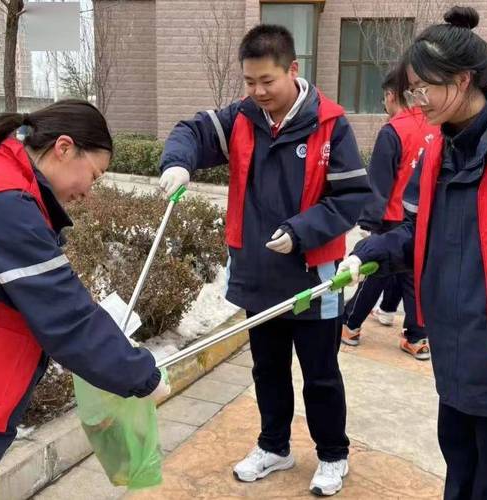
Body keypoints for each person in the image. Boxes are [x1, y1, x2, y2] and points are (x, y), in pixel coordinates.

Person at [0, 99, 169, 499]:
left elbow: (46, 299)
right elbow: (66, 318)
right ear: (63, 148)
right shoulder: (2, 202)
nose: (88, 192)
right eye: (94, 174)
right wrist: (141, 376)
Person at [339, 6, 487, 500]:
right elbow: (418, 233)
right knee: (459, 470)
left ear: (462, 81)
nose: (417, 102)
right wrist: (368, 252)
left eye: (424, 89)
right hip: (455, 353)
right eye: (411, 90)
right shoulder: (437, 150)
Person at [158, 24, 370, 496]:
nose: (257, 92)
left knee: (320, 374)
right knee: (267, 368)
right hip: (258, 273)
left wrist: (300, 232)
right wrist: (178, 162)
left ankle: (333, 454)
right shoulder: (241, 118)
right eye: (249, 82)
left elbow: (352, 197)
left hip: (314, 277)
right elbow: (191, 131)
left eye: (266, 81)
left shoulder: (330, 125)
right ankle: (274, 445)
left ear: (293, 70)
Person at [341, 69, 437, 361]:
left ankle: (350, 324)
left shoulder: (394, 130)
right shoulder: (436, 127)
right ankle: (417, 336)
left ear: (392, 95)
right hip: (423, 217)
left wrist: (368, 223)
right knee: (413, 275)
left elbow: (379, 182)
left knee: (374, 271)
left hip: (393, 216)